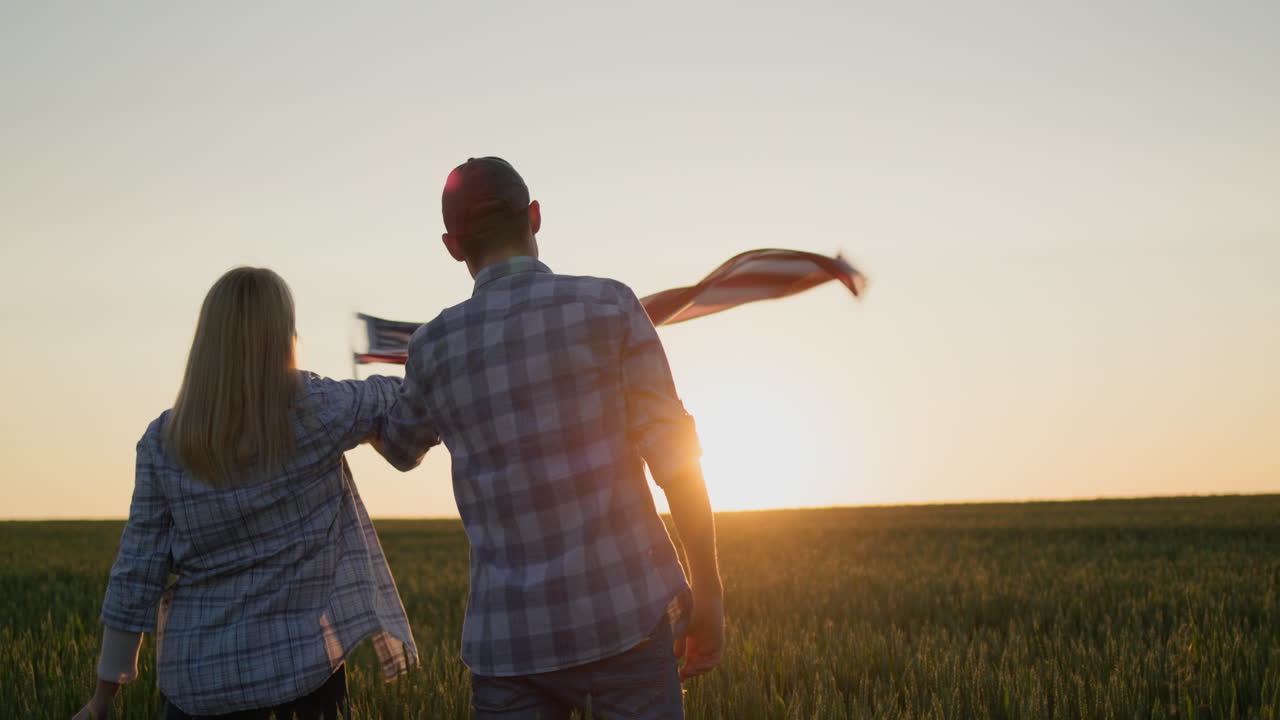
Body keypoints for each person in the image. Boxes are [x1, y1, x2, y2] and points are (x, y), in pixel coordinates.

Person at [373, 157, 724, 719]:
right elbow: (674, 461)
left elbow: (399, 447)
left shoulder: (432, 346)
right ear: (534, 217)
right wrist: (709, 591)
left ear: (452, 245)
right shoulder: (609, 305)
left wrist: (355, 402)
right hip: (625, 619)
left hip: (506, 645)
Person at [74, 267, 417, 720]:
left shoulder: (164, 439)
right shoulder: (319, 409)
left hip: (198, 687)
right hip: (304, 682)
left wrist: (102, 698)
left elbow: (137, 572)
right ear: (284, 335)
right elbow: (398, 394)